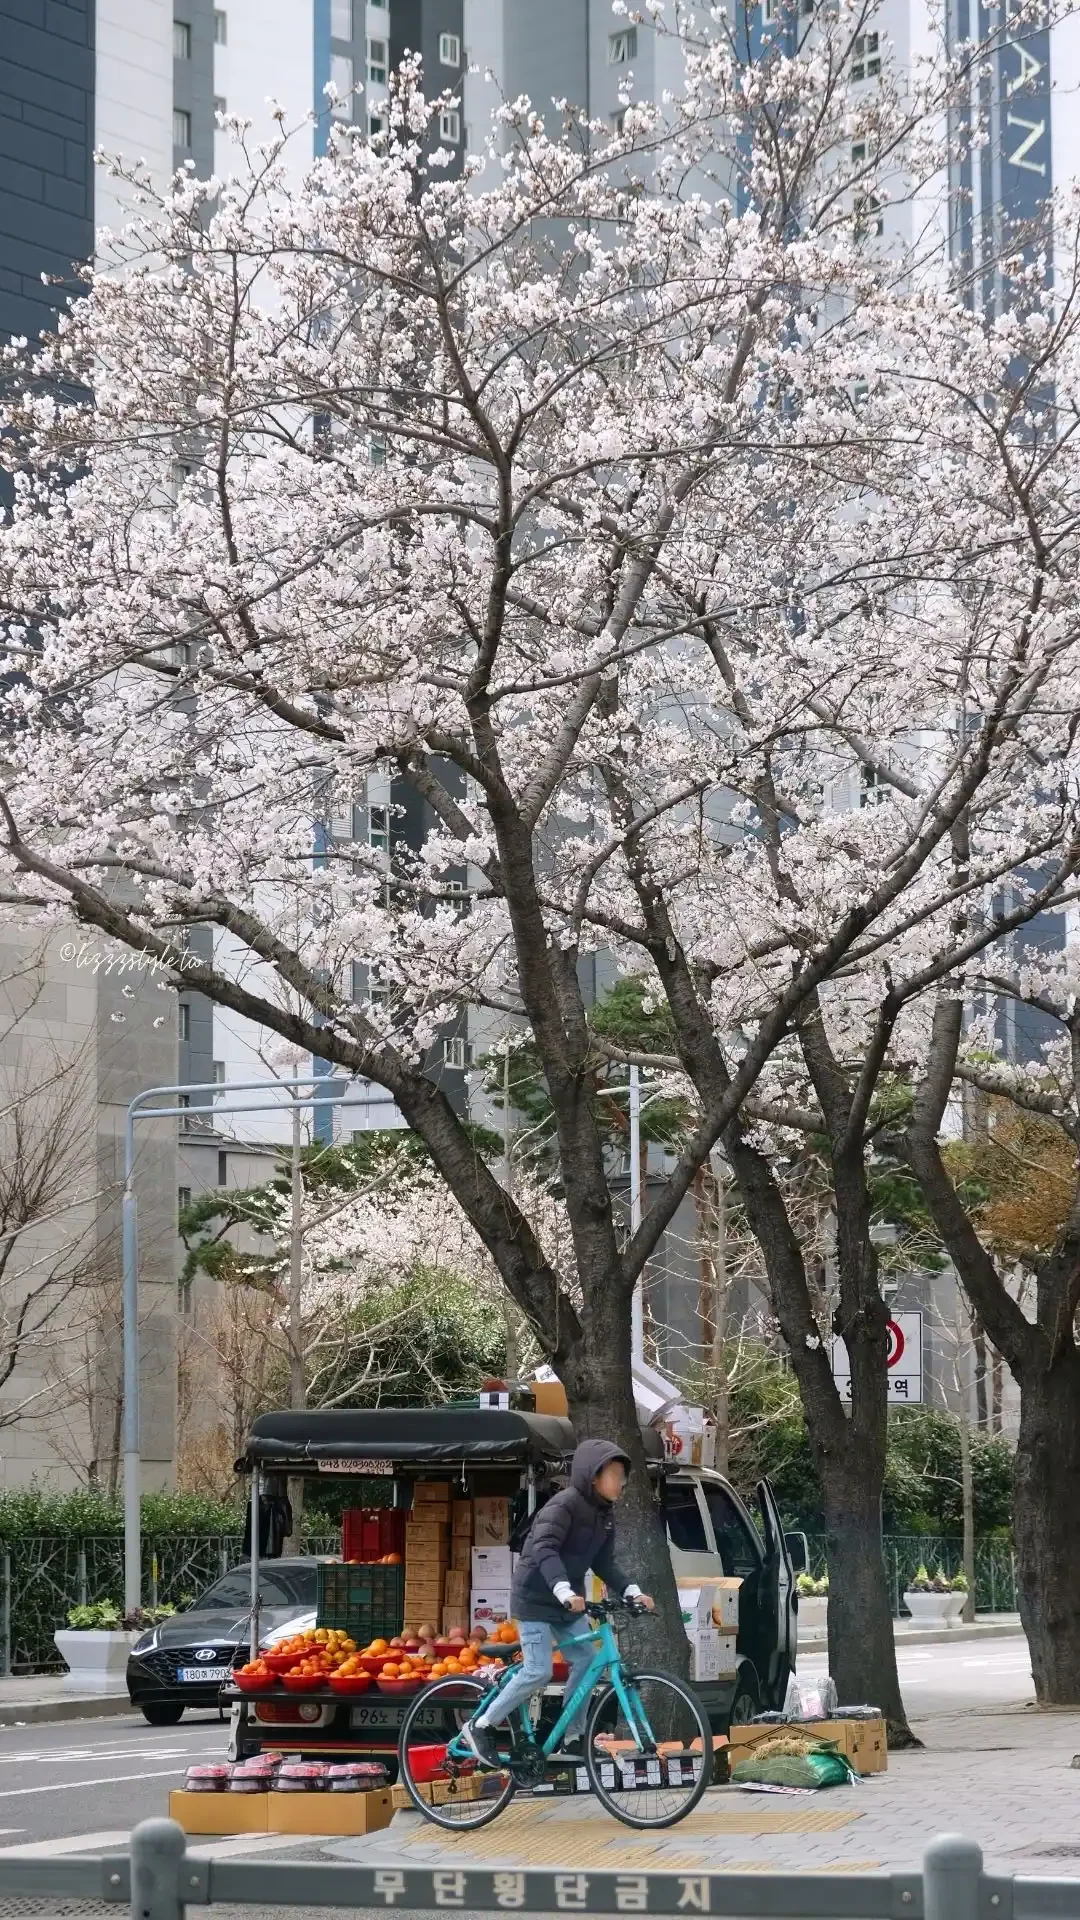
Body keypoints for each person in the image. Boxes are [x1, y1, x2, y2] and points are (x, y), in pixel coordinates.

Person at [462, 1439, 655, 1767]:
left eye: (623, 1475)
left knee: (588, 1661)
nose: (620, 1482)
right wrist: (564, 1590)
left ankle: (573, 1736)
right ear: (593, 1475)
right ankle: (480, 1725)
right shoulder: (564, 1505)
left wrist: (633, 1591)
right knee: (538, 1670)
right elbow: (545, 1548)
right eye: (614, 1474)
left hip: (566, 1601)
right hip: (536, 1599)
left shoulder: (604, 1514)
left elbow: (605, 1564)